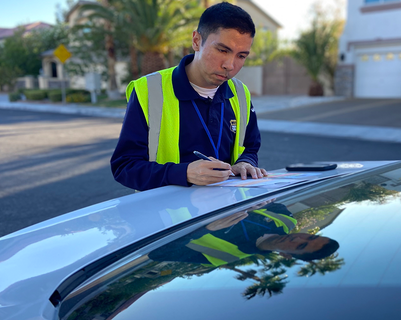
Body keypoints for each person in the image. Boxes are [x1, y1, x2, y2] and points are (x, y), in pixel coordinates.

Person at [110, 2, 268, 191]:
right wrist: (183, 173)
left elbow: (250, 147)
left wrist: (245, 162)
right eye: (222, 50)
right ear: (196, 41)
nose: (230, 65)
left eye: (241, 56)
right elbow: (124, 166)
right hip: (169, 217)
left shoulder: (240, 92)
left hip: (227, 213)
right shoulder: (149, 90)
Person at [148, 202, 340, 266]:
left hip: (157, 213)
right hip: (193, 183)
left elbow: (157, 254)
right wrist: (259, 202)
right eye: (311, 236)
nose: (298, 237)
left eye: (301, 246)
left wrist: (204, 230)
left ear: (286, 256)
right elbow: (262, 192)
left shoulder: (224, 256)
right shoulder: (286, 219)